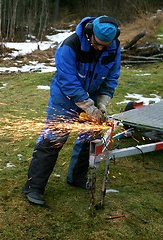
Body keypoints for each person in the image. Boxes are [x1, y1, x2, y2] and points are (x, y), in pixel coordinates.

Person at [22, 15, 121, 205]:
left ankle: (77, 177)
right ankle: (33, 187)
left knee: (89, 137)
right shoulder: (70, 46)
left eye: (105, 46)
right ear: (89, 32)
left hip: (91, 98)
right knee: (53, 139)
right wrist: (87, 105)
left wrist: (101, 103)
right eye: (97, 44)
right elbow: (68, 81)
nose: (100, 49)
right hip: (64, 100)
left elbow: (112, 77)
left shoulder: (114, 48)